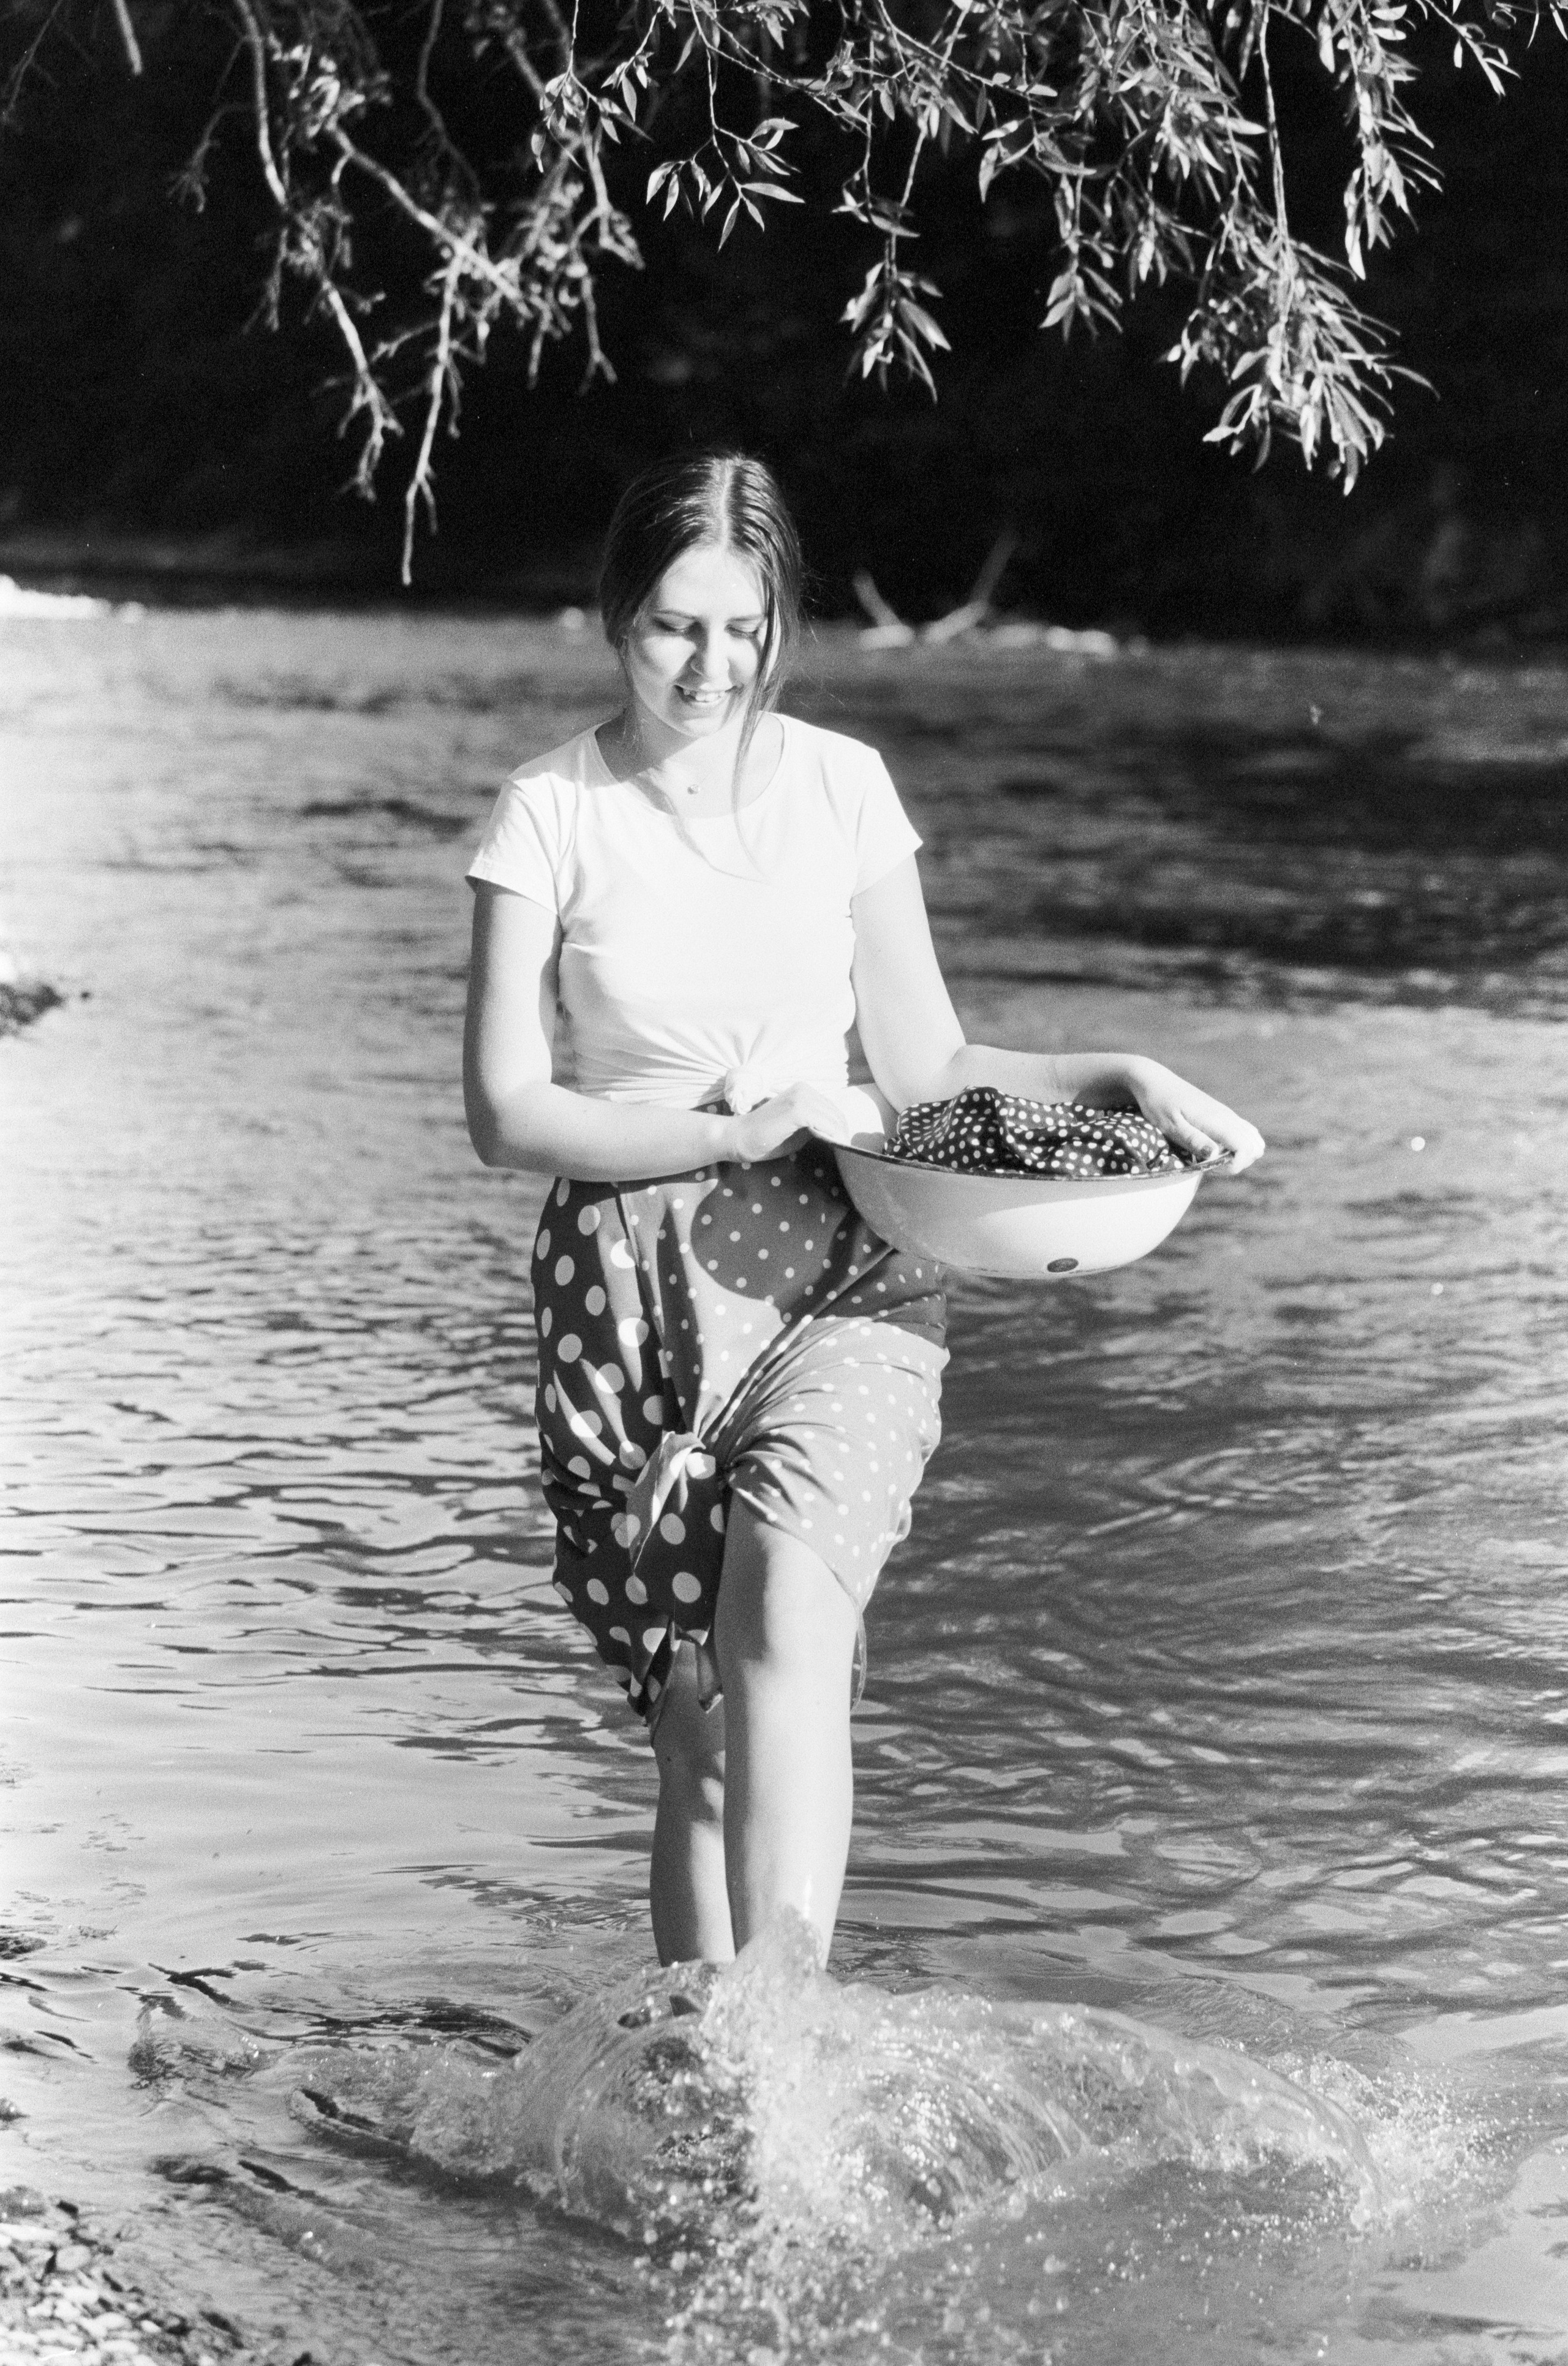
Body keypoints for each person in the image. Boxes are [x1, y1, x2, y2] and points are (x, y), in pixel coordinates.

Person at [463, 449, 1264, 1973]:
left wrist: (1118, 1074)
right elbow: (506, 1112)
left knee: (785, 1622)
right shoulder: (545, 816)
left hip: (842, 1261)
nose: (708, 669)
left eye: (742, 629)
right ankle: (708, 2072)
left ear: (779, 624)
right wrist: (725, 1121)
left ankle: (784, 2050)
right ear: (610, 616)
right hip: (628, 1297)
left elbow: (929, 1065)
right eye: (672, 628)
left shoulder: (841, 787)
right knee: (694, 1725)